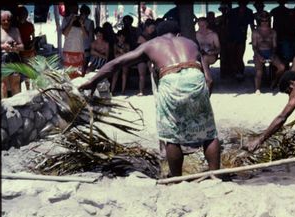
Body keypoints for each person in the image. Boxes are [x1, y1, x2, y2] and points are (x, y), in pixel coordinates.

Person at [79, 21, 220, 177]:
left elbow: (117, 63)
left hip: (170, 79)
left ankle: (177, 178)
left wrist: (94, 81)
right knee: (209, 134)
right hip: (195, 77)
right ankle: (216, 174)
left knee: (172, 136)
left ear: (159, 36)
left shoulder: (152, 44)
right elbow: (209, 80)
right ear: (178, 34)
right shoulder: (190, 43)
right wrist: (202, 104)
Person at [252, 11, 285, 94]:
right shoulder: (255, 32)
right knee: (259, 71)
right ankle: (257, 88)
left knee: (282, 67)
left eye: (266, 20)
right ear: (259, 21)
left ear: (269, 21)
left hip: (270, 52)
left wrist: (272, 55)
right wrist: (259, 56)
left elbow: (274, 46)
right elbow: (254, 47)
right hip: (259, 52)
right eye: (262, 20)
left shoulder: (273, 32)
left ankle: (275, 80)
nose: (264, 22)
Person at [226, 0, 254, 81]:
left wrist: (253, 36)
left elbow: (251, 25)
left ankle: (240, 72)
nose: (242, 4)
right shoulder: (232, 11)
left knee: (239, 56)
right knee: (232, 56)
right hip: (231, 36)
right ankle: (235, 72)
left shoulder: (249, 12)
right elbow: (227, 24)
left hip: (241, 37)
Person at [1, 10, 24, 98]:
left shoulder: (15, 30)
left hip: (14, 59)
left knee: (16, 85)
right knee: (3, 85)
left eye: (8, 20)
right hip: (2, 59)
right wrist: (3, 46)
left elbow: (22, 46)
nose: (6, 22)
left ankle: (17, 107)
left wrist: (15, 47)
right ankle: (4, 108)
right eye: (3, 20)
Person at [61, 2, 88, 79]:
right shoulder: (65, 19)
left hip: (79, 50)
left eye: (76, 7)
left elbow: (86, 36)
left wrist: (82, 24)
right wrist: (71, 21)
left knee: (78, 75)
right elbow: (65, 33)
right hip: (68, 51)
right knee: (68, 75)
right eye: (73, 7)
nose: (74, 9)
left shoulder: (81, 19)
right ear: (69, 8)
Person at [16, 6, 35, 90]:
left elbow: (34, 38)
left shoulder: (30, 25)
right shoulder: (16, 26)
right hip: (22, 52)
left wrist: (33, 44)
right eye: (21, 14)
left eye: (25, 14)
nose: (23, 15)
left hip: (30, 51)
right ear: (18, 15)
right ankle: (28, 89)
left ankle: (33, 89)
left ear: (27, 15)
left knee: (32, 70)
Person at [196, 17, 220, 82]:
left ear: (206, 25)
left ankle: (207, 79)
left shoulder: (213, 35)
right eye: (199, 26)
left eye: (203, 26)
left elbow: (219, 49)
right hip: (199, 55)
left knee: (204, 58)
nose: (201, 28)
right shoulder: (196, 35)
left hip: (211, 55)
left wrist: (211, 52)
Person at [136, 19, 156, 96]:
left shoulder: (152, 35)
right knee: (142, 75)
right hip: (142, 57)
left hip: (149, 57)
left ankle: (154, 89)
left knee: (152, 71)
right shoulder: (141, 37)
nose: (153, 30)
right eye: (151, 28)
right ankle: (141, 91)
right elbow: (149, 46)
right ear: (147, 27)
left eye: (154, 28)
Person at [111, 30, 130, 95]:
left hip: (125, 61)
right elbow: (115, 55)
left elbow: (128, 55)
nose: (122, 39)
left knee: (124, 74)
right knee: (115, 75)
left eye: (123, 37)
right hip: (117, 61)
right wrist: (122, 52)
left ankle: (123, 90)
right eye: (120, 37)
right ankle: (112, 90)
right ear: (117, 37)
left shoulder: (127, 45)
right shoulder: (115, 45)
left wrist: (121, 52)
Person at [79, 4, 95, 76]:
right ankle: (82, 78)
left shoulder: (76, 20)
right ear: (88, 13)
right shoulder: (90, 22)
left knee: (79, 65)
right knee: (84, 65)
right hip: (86, 45)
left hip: (77, 45)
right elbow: (90, 36)